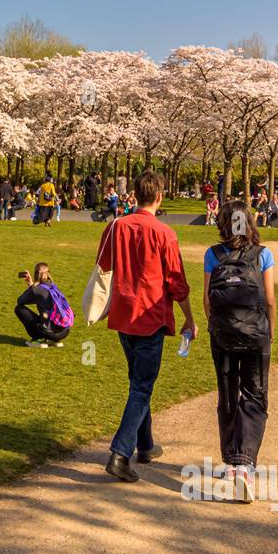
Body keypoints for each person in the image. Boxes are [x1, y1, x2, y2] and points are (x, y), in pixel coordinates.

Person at [96, 170, 198, 482]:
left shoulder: (117, 227)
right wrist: (190, 317)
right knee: (141, 385)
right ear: (159, 197)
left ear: (135, 195)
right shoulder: (164, 233)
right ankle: (120, 453)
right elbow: (176, 281)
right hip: (151, 316)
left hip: (125, 314)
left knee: (138, 382)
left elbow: (105, 265)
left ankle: (145, 444)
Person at [203, 200, 276, 503]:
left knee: (228, 393)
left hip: (222, 334)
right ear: (249, 223)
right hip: (255, 334)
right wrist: (270, 330)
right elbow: (270, 299)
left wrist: (217, 326)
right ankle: (244, 464)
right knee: (255, 395)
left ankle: (231, 461)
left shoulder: (213, 254)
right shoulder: (263, 255)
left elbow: (208, 299)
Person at [14, 262, 73, 348]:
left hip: (51, 332)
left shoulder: (36, 290)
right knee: (46, 316)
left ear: (36, 274)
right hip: (65, 331)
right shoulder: (53, 286)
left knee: (19, 309)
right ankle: (53, 340)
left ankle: (38, 339)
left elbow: (20, 301)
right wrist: (32, 285)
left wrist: (31, 287)